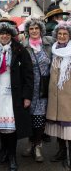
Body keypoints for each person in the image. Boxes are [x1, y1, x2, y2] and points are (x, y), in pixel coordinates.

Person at [0, 22, 34, 171]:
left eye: (7, 33)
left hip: (14, 96)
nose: (4, 36)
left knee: (11, 128)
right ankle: (4, 151)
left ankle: (12, 156)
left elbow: (29, 75)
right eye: (2, 33)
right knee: (0, 127)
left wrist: (27, 96)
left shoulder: (20, 50)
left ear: (11, 35)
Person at [22, 18, 53, 162]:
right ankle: (30, 142)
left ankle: (38, 145)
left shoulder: (49, 43)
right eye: (31, 29)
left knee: (40, 118)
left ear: (41, 30)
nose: (34, 31)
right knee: (29, 117)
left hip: (44, 87)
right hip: (29, 87)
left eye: (36, 28)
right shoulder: (23, 46)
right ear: (28, 31)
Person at [45, 21, 71, 167]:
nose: (62, 36)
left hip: (69, 96)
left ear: (69, 36)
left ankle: (69, 157)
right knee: (60, 126)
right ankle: (62, 152)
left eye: (65, 34)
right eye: (59, 34)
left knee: (69, 128)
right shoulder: (53, 51)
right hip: (55, 95)